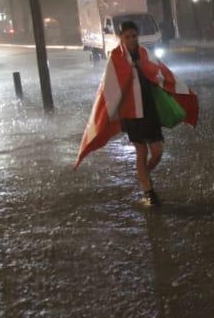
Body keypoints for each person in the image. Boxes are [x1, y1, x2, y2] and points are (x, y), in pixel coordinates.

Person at [74, 20, 199, 205]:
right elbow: (109, 89)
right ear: (121, 38)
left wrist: (142, 66)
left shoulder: (144, 53)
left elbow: (161, 73)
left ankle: (144, 176)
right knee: (141, 150)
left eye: (134, 36)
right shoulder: (116, 57)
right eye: (127, 37)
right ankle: (148, 191)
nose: (132, 40)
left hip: (149, 109)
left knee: (157, 151)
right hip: (131, 113)